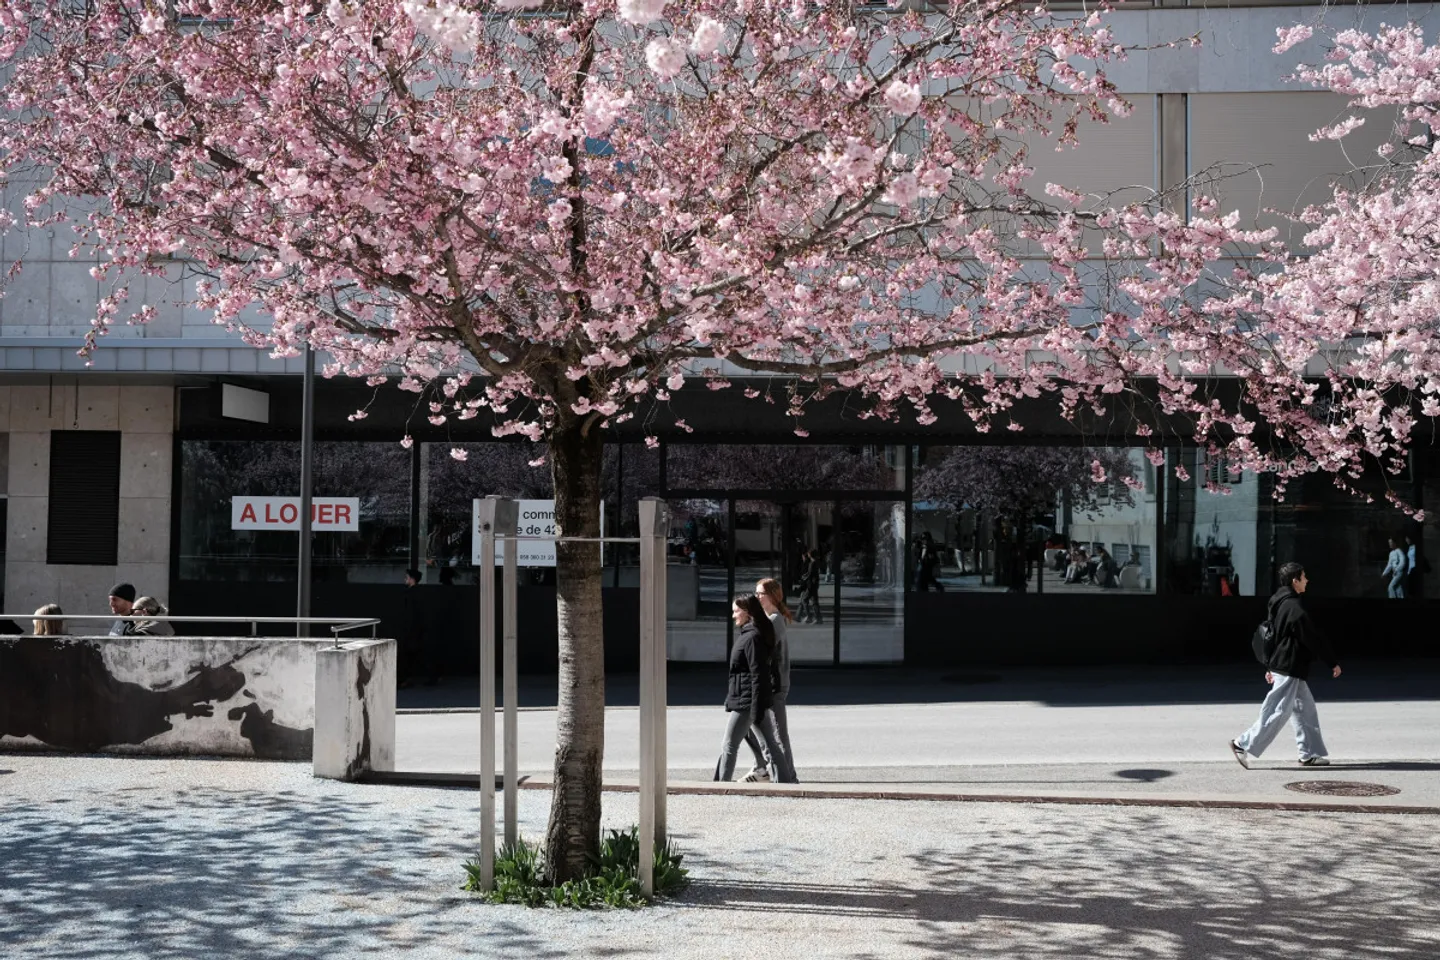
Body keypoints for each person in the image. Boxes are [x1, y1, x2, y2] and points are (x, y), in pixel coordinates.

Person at [1229, 562, 1341, 768]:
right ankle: (1241, 744)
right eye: (1304, 577)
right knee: (1278, 711)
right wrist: (1332, 662)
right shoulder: (1294, 608)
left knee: (1305, 710)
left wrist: (1269, 665)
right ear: (1295, 581)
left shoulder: (1278, 602)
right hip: (1289, 666)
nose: (1307, 580)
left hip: (1286, 665)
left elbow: (1271, 636)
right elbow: (1312, 638)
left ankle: (1308, 753)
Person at [714, 595, 793, 783]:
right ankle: (786, 783)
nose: (733, 615)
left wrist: (756, 706)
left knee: (729, 745)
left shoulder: (751, 638)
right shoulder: (751, 634)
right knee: (770, 745)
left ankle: (720, 787)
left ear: (747, 612)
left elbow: (758, 674)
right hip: (751, 700)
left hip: (747, 701)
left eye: (736, 611)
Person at [741, 578, 798, 783]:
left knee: (778, 733)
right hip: (765, 683)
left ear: (772, 596)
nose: (757, 597)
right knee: (749, 724)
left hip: (775, 684)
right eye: (756, 593)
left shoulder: (774, 620)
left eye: (760, 594)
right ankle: (762, 767)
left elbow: (762, 651)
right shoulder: (765, 618)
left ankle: (789, 776)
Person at [795, 548, 822, 624]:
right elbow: (811, 573)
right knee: (814, 601)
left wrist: (804, 578)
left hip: (811, 585)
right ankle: (818, 618)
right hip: (815, 584)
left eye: (808, 553)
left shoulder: (812, 563)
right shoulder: (815, 562)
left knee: (804, 600)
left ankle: (809, 617)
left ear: (810, 554)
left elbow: (810, 574)